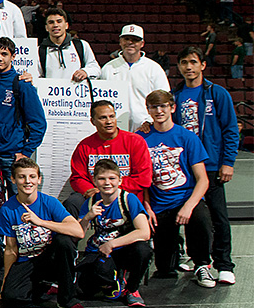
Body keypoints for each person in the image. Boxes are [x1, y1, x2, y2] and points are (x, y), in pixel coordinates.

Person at [171, 47, 239, 285]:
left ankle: (224, 264)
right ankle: (199, 259)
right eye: (183, 63)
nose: (188, 67)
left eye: (192, 62)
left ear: (202, 65)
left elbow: (230, 130)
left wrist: (227, 162)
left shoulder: (216, 93)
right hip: (186, 168)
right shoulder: (175, 96)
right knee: (194, 217)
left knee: (219, 217)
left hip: (211, 166)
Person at [137, 90, 216, 287]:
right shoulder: (140, 138)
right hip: (159, 205)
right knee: (164, 269)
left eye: (163, 106)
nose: (159, 110)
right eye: (154, 107)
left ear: (172, 107)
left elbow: (203, 180)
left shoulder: (187, 137)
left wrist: (188, 206)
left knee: (201, 218)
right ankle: (172, 257)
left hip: (185, 199)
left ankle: (202, 265)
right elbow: (142, 179)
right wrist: (147, 208)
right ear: (148, 110)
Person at [0, 158, 86, 308]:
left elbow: (78, 231)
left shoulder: (49, 203)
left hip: (50, 258)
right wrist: (5, 281)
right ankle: (45, 287)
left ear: (39, 179)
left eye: (31, 176)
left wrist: (41, 222)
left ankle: (68, 300)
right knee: (12, 297)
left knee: (64, 241)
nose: (27, 181)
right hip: (27, 260)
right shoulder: (8, 209)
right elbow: (11, 249)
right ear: (13, 179)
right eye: (22, 177)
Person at [77, 159, 152, 307]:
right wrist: (87, 217)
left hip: (121, 250)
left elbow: (144, 232)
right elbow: (77, 234)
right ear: (94, 181)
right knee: (84, 288)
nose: (107, 183)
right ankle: (113, 282)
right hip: (98, 250)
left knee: (143, 250)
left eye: (112, 178)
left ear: (119, 180)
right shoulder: (91, 202)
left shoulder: (128, 199)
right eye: (102, 179)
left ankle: (132, 289)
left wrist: (112, 244)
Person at [0, 37, 47, 186]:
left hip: (11, 154)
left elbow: (39, 123)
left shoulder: (22, 84)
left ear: (13, 56)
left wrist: (25, 153)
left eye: (4, 54)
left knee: (17, 199)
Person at [66, 100, 153, 216]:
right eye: (103, 118)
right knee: (72, 202)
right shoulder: (85, 146)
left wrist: (109, 188)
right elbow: (77, 177)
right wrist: (90, 190)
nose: (109, 122)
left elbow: (143, 179)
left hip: (126, 198)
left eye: (111, 116)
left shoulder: (135, 141)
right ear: (93, 121)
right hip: (95, 198)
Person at [100, 24, 170, 131]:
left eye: (135, 40)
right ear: (120, 41)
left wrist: (150, 120)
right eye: (126, 39)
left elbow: (164, 99)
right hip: (115, 128)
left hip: (146, 128)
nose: (130, 42)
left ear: (142, 44)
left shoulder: (154, 68)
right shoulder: (108, 68)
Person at [35, 8, 101, 81]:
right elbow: (36, 75)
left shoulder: (81, 45)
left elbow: (96, 69)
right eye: (51, 22)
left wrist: (85, 71)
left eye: (59, 21)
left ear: (66, 25)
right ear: (46, 27)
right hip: (50, 91)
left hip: (77, 91)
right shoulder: (39, 50)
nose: (55, 25)